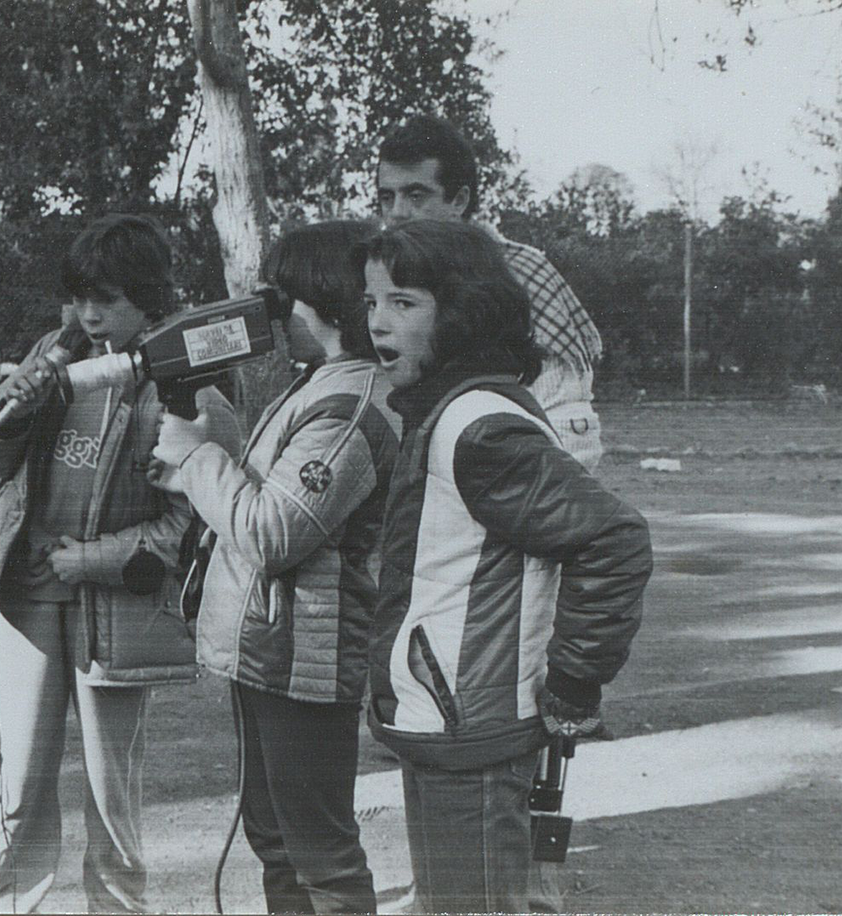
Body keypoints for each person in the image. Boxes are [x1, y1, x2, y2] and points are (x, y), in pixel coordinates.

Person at [359, 219, 651, 914]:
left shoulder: (479, 427)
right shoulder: (441, 413)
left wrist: (573, 685)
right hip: (444, 726)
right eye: (371, 301)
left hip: (476, 732)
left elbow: (613, 540)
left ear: (461, 314)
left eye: (403, 302)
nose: (377, 321)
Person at [151, 220, 399, 914]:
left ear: (324, 302)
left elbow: (271, 532)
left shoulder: (350, 407)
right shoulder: (320, 383)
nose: (272, 315)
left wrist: (196, 457)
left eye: (282, 299)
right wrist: (195, 470)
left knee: (320, 854)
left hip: (306, 655)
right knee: (275, 839)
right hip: (272, 648)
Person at [0, 213, 197, 913]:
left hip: (113, 611)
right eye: (79, 298)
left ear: (148, 298)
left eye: (108, 300)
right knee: (20, 785)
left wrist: (92, 560)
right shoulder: (56, 349)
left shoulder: (177, 377)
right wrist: (15, 411)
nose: (89, 315)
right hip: (28, 601)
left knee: (109, 792)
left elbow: (186, 524)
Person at [376, 112, 605, 474]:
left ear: (459, 200)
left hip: (531, 461)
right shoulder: (393, 276)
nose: (398, 213)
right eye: (387, 197)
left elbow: (566, 410)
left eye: (416, 195)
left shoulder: (513, 271)